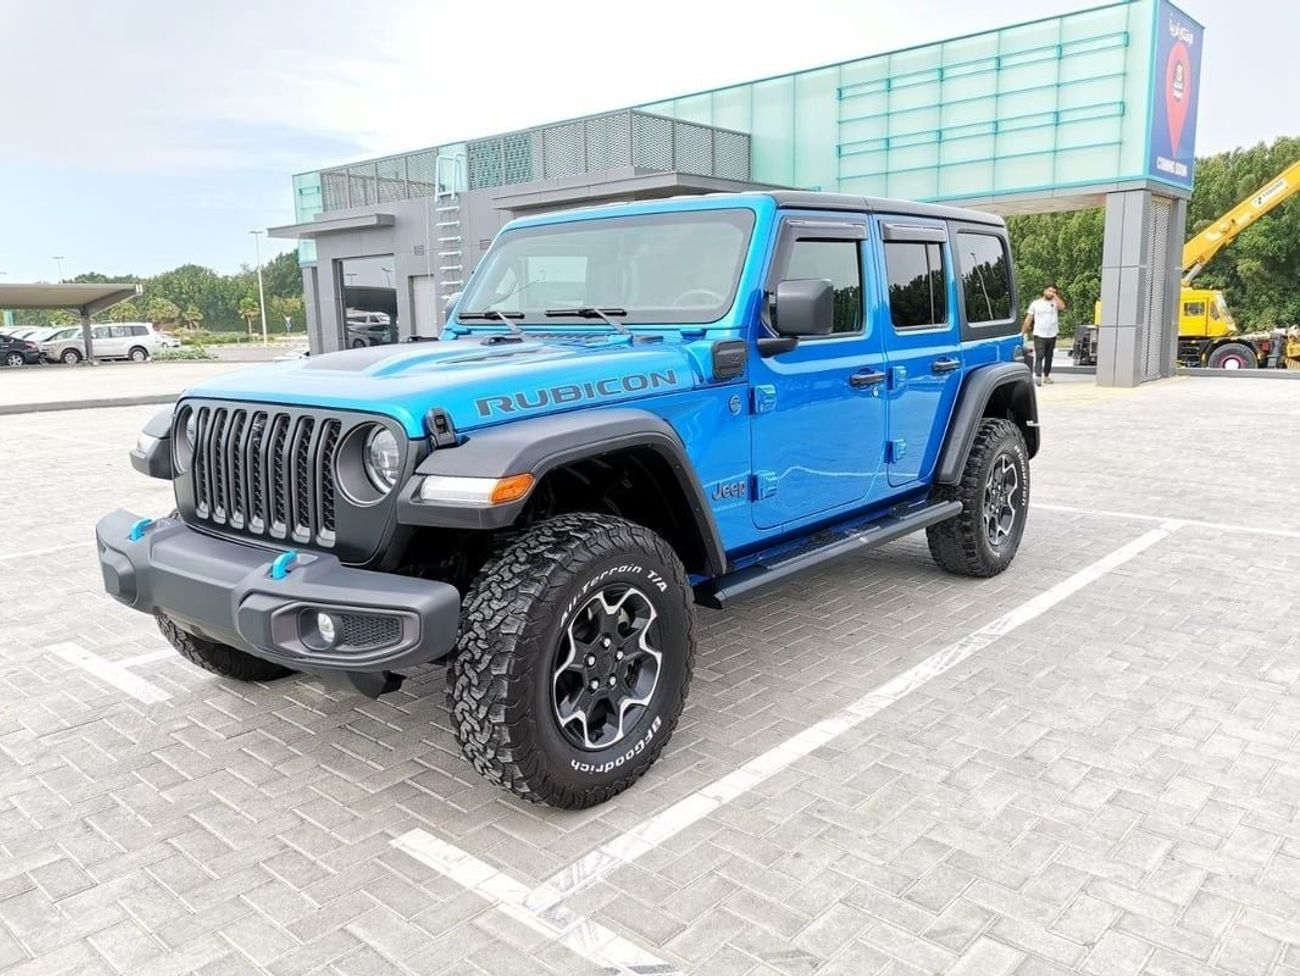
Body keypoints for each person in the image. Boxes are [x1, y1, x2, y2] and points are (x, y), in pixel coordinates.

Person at [1023, 285, 1066, 386]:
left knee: (1049, 356)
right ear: (1044, 291)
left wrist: (1055, 296)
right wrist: (1023, 332)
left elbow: (1062, 307)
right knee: (1040, 355)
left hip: (1052, 334)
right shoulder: (1036, 304)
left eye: (1054, 292)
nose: (1051, 293)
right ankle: (1038, 375)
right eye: (1050, 291)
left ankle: (1046, 376)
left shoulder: (1055, 303)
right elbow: (1029, 318)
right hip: (1039, 334)